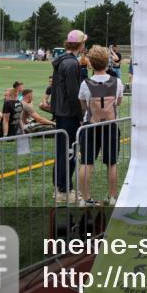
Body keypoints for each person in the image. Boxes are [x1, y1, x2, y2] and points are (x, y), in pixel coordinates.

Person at [77, 45, 123, 207]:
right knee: (112, 163)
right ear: (107, 62)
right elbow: (118, 102)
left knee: (87, 163)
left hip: (90, 126)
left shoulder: (85, 83)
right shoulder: (117, 82)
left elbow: (83, 105)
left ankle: (86, 198)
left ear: (91, 62)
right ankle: (112, 197)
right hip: (110, 125)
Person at [52, 29, 88, 204]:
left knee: (61, 150)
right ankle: (64, 189)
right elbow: (74, 94)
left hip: (60, 112)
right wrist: (80, 115)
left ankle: (58, 186)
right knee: (69, 152)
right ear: (80, 44)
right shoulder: (72, 64)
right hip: (69, 114)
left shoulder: (62, 61)